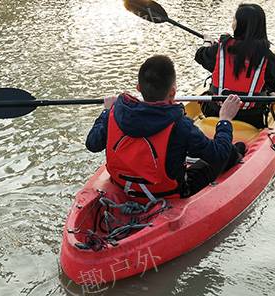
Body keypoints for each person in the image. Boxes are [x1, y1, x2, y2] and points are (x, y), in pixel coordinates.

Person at [86, 55, 245, 201]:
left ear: (138, 88)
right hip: (167, 193)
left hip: (123, 185)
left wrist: (106, 111)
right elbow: (219, 155)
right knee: (228, 151)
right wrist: (225, 119)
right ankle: (238, 152)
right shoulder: (181, 125)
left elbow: (92, 144)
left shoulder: (114, 112)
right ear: (173, 92)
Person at [195, 3, 275, 128]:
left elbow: (200, 56)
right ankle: (269, 93)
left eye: (234, 19)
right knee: (268, 83)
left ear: (240, 25)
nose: (232, 22)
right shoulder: (266, 55)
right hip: (251, 117)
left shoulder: (221, 49)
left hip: (215, 112)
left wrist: (207, 42)